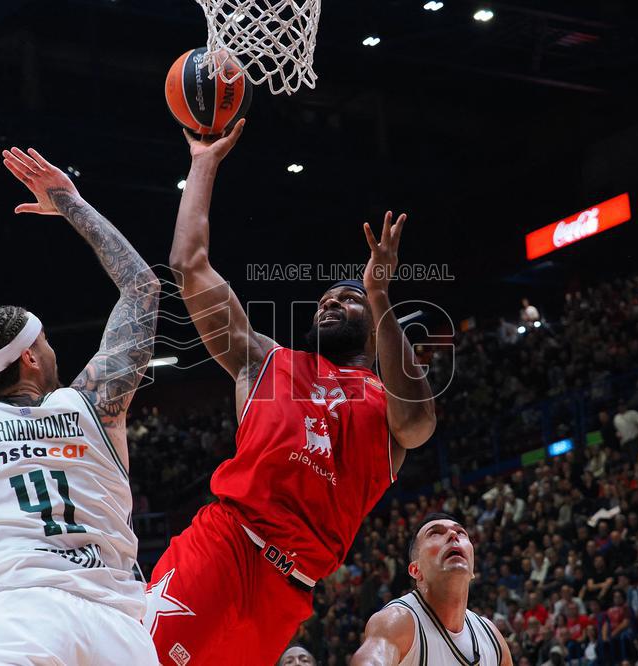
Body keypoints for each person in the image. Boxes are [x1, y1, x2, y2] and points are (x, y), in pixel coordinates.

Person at [145, 120, 436, 664]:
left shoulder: (388, 405)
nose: (330, 302)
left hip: (290, 591)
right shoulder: (267, 361)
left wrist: (378, 294)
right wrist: (204, 162)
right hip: (227, 547)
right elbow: (188, 267)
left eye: (347, 299)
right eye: (326, 298)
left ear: (374, 323)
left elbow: (420, 423)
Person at [0, 147, 160, 664]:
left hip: (18, 622)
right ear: (31, 356)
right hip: (117, 630)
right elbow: (141, 285)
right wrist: (71, 203)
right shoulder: (94, 407)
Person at [352, 513, 513, 666]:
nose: (453, 535)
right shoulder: (398, 621)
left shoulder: (492, 638)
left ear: (472, 567)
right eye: (435, 534)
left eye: (461, 533)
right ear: (416, 570)